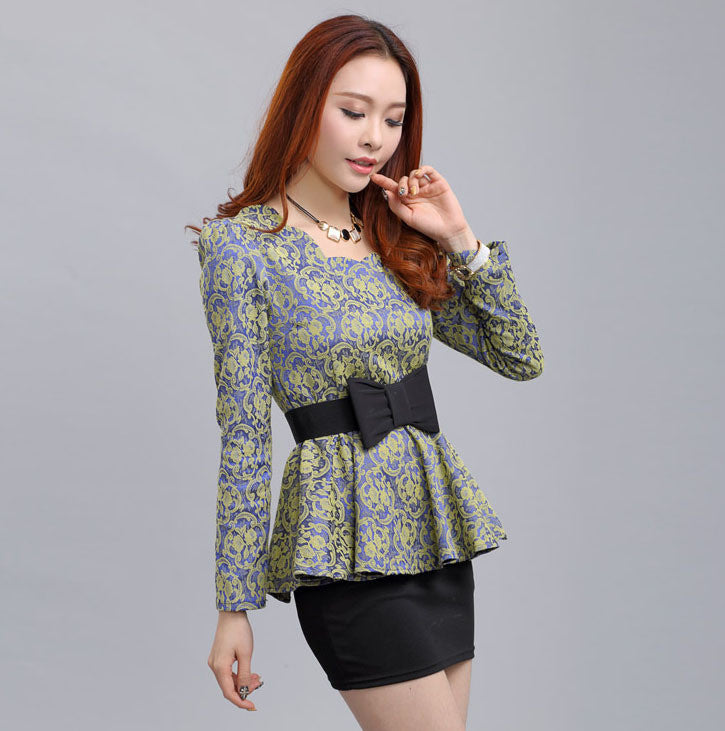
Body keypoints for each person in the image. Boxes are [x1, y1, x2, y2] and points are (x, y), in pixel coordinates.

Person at [187, 14, 544, 730]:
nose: (374, 137)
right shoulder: (241, 247)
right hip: (343, 541)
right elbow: (244, 433)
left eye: (393, 118)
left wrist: (458, 236)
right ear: (303, 107)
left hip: (435, 530)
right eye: (353, 112)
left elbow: (519, 355)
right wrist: (234, 605)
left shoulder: (394, 234)